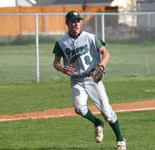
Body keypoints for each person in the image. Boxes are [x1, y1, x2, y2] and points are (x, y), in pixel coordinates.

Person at [52, 11, 126, 150]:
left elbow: (106, 52)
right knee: (79, 108)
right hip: (76, 80)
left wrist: (101, 65)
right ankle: (97, 122)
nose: (76, 24)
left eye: (78, 21)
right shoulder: (61, 42)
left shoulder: (90, 37)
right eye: (73, 21)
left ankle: (120, 140)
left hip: (93, 78)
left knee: (107, 113)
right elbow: (55, 62)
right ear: (67, 23)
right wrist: (62, 69)